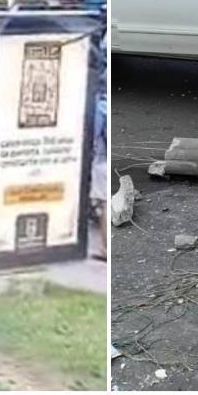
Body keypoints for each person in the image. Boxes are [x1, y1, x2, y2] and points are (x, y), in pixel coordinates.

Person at [91, 84, 107, 262]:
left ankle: (105, 249)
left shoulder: (99, 106)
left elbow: (94, 137)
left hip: (101, 160)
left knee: (103, 205)